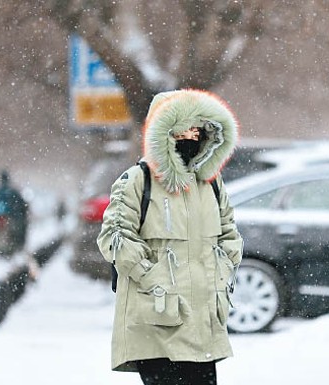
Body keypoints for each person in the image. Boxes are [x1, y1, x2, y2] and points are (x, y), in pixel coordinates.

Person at [97, 89, 243, 385]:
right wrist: (152, 278)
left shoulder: (211, 184)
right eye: (181, 130)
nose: (190, 138)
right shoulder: (138, 180)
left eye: (197, 130)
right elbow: (114, 237)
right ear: (163, 133)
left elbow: (229, 234)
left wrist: (220, 272)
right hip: (156, 321)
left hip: (203, 322)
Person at [0, 170, 29, 251]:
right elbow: (22, 205)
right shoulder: (13, 191)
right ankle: (17, 247)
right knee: (19, 231)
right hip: (12, 217)